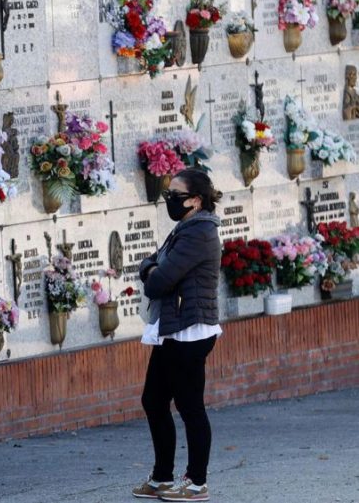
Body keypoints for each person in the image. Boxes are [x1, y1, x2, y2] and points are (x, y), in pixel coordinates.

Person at [133, 169, 222, 502]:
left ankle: (196, 482)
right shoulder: (184, 229)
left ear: (196, 200)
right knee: (153, 400)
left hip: (191, 331)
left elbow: (157, 279)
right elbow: (151, 265)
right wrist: (151, 269)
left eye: (176, 194)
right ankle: (162, 477)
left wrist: (151, 270)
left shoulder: (198, 233)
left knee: (189, 406)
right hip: (172, 328)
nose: (169, 200)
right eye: (168, 193)